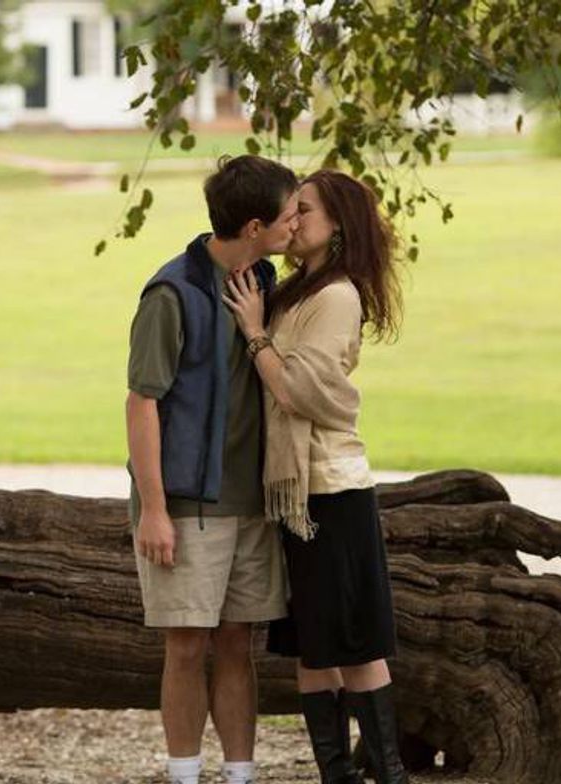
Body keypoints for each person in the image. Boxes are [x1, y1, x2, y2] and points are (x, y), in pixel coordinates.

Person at [223, 169, 408, 784]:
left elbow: (299, 390)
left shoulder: (336, 297)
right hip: (297, 495)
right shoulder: (297, 290)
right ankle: (337, 776)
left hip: (331, 492)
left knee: (354, 645)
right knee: (313, 644)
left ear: (338, 224)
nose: (293, 219)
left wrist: (255, 334)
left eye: (304, 209)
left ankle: (390, 776)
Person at [125, 155, 299, 784]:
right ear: (254, 227)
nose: (295, 225)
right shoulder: (171, 294)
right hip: (187, 506)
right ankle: (184, 776)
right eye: (288, 216)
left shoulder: (265, 281)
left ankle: (239, 776)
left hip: (252, 503)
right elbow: (141, 403)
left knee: (236, 644)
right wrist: (154, 510)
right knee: (186, 645)